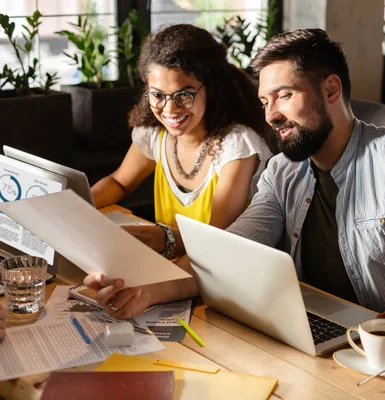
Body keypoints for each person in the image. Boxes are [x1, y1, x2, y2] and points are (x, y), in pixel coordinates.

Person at [84, 29, 385, 355]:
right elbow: (226, 255)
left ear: (331, 89)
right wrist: (144, 291)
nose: (272, 115)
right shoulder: (283, 173)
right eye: (264, 102)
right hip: (339, 352)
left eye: (283, 96)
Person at [91, 24, 272, 258]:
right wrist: (77, 204)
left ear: (211, 89)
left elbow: (216, 235)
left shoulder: (237, 145)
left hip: (221, 271)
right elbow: (119, 182)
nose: (169, 109)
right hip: (171, 265)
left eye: (184, 95)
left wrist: (162, 238)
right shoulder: (154, 134)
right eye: (157, 95)